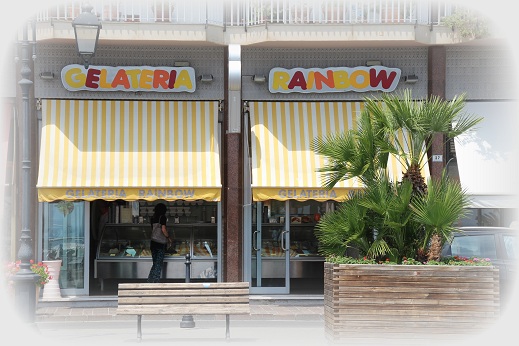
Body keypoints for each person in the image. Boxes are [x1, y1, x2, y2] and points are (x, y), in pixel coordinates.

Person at [147, 203, 173, 283]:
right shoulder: (163, 217)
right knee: (158, 264)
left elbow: (153, 229)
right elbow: (163, 229)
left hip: (153, 242)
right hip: (160, 243)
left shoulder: (153, 218)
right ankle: (155, 281)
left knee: (155, 263)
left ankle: (150, 280)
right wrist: (168, 238)